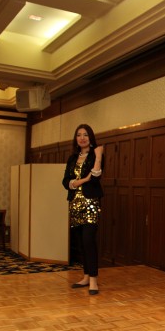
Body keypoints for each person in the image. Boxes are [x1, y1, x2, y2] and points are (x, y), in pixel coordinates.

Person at [63, 124, 104, 295]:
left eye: (85, 135)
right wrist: (82, 180)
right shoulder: (72, 158)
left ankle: (93, 279)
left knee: (88, 240)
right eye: (79, 135)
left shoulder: (95, 155)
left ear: (90, 137)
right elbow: (66, 182)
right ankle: (86, 276)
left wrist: (99, 155)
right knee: (80, 242)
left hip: (90, 203)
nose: (82, 138)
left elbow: (95, 177)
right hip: (75, 203)